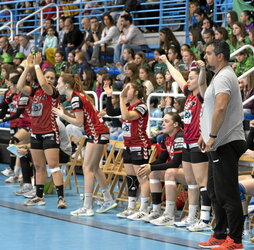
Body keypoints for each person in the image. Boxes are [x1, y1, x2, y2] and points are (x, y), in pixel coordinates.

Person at [199, 40, 246, 249]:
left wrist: (212, 134)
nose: (205, 57)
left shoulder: (225, 76)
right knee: (214, 191)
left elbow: (221, 107)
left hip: (225, 141)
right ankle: (219, 234)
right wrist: (205, 133)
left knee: (227, 193)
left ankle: (235, 239)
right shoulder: (219, 76)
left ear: (220, 55)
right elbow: (210, 108)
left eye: (208, 53)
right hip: (216, 141)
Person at [53, 72, 117, 216]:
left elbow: (79, 123)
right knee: (94, 168)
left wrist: (62, 115)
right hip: (98, 132)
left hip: (96, 133)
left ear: (66, 85)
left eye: (59, 83)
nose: (57, 86)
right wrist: (66, 113)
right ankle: (108, 199)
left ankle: (87, 206)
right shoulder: (77, 96)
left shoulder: (75, 99)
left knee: (87, 167)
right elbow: (81, 119)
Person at [161, 55, 212, 232]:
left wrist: (203, 69)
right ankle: (192, 216)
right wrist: (167, 62)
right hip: (187, 142)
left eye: (192, 78)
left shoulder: (203, 95)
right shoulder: (189, 95)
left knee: (202, 181)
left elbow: (203, 83)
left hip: (199, 143)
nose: (188, 81)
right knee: (190, 181)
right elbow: (178, 77)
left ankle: (205, 220)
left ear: (200, 79)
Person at [17, 53, 67, 209]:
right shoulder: (34, 92)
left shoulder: (52, 92)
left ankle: (61, 198)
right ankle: (39, 196)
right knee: (38, 167)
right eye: (48, 77)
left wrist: (38, 66)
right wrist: (27, 68)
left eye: (52, 77)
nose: (50, 79)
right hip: (36, 133)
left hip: (49, 132)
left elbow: (45, 85)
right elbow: (19, 86)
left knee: (53, 166)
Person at [104, 81, 151, 219]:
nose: (124, 91)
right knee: (130, 177)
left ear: (136, 92)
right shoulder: (127, 105)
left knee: (141, 177)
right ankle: (131, 207)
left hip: (140, 145)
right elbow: (111, 112)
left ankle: (144, 208)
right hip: (128, 145)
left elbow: (126, 116)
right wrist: (109, 95)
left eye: (128, 88)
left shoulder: (141, 106)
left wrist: (122, 99)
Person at [137, 112, 185, 225]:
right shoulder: (165, 137)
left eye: (167, 121)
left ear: (176, 124)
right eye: (163, 121)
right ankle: (156, 211)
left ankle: (169, 215)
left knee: (169, 172)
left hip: (190, 172)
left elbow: (175, 163)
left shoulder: (180, 136)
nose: (163, 124)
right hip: (177, 171)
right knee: (153, 174)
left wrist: (151, 167)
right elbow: (162, 159)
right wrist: (148, 166)